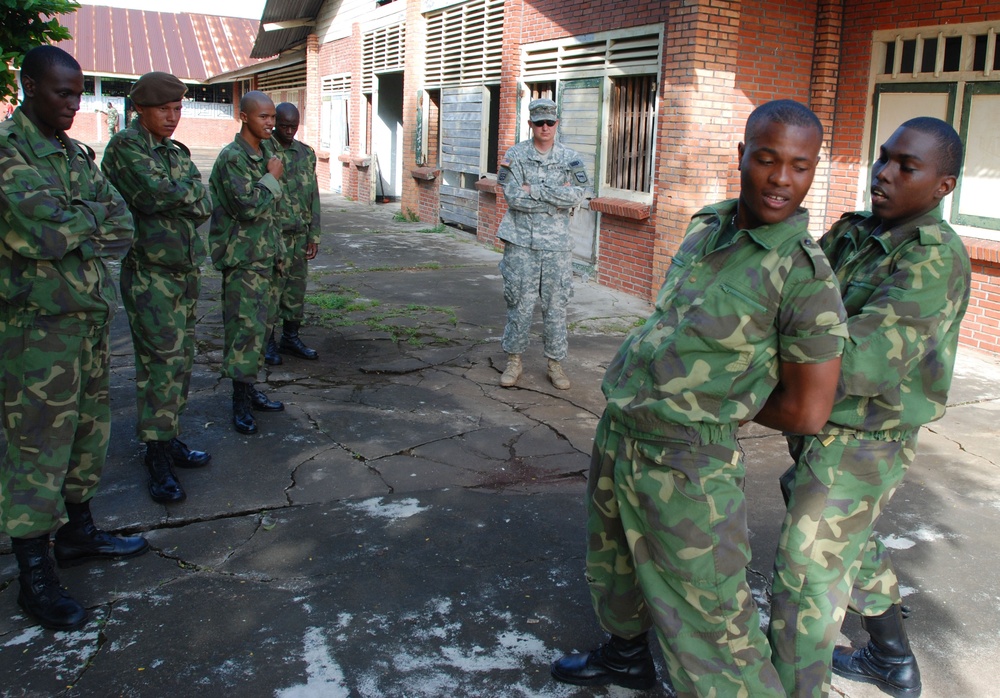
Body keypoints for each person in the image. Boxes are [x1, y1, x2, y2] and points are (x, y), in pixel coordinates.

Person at [550, 100, 849, 695]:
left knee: (711, 626)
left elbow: (808, 409)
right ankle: (625, 657)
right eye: (767, 160)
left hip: (688, 461)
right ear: (742, 156)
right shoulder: (707, 226)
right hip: (622, 433)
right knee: (613, 569)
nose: (782, 179)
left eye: (800, 166)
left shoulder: (805, 276)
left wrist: (714, 403)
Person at [766, 117, 971, 698]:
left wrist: (756, 364)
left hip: (863, 439)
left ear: (942, 185)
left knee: (806, 579)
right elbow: (788, 292)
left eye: (906, 166)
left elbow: (862, 364)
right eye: (883, 158)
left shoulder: (933, 259)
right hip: (820, 425)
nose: (883, 173)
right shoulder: (857, 230)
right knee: (848, 542)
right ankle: (892, 660)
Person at [0, 45, 148, 632]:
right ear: (29, 86)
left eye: (78, 93)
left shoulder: (72, 154)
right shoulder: (9, 155)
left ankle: (78, 533)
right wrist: (83, 219)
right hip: (35, 332)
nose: (72, 104)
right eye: (62, 92)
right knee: (36, 449)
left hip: (85, 320)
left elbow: (123, 220)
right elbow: (40, 236)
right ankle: (33, 574)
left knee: (89, 433)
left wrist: (76, 217)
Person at [101, 71, 213, 504]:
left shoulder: (173, 151)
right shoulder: (126, 148)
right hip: (150, 274)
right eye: (164, 109)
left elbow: (201, 202)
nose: (173, 116)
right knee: (160, 365)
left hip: (183, 271)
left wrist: (182, 193)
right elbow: (152, 194)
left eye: (178, 108)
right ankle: (156, 454)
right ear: (140, 110)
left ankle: (169, 438)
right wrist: (185, 193)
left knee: (181, 361)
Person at [496, 98, 589, 390]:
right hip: (521, 243)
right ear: (530, 125)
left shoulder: (570, 158)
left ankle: (555, 365)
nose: (545, 128)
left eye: (550, 122)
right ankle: (514, 361)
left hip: (556, 247)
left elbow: (577, 195)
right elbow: (513, 197)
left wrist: (533, 189)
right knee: (519, 304)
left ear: (557, 124)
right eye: (539, 123)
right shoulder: (515, 155)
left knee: (555, 306)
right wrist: (552, 199)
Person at [208, 90, 286, 435]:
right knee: (244, 332)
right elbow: (248, 206)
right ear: (244, 117)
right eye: (263, 117)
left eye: (272, 117)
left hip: (266, 257)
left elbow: (274, 211)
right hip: (243, 260)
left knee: (262, 328)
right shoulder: (233, 158)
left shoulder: (267, 151)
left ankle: (250, 390)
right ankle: (238, 403)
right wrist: (271, 178)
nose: (270, 123)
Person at [264, 102, 320, 366]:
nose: (288, 131)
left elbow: (313, 197)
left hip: (299, 235)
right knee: (272, 292)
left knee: (296, 291)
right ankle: (267, 342)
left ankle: (290, 337)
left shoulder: (306, 153)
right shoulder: (264, 151)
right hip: (275, 235)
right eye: (283, 126)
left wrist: (314, 235)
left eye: (293, 126)